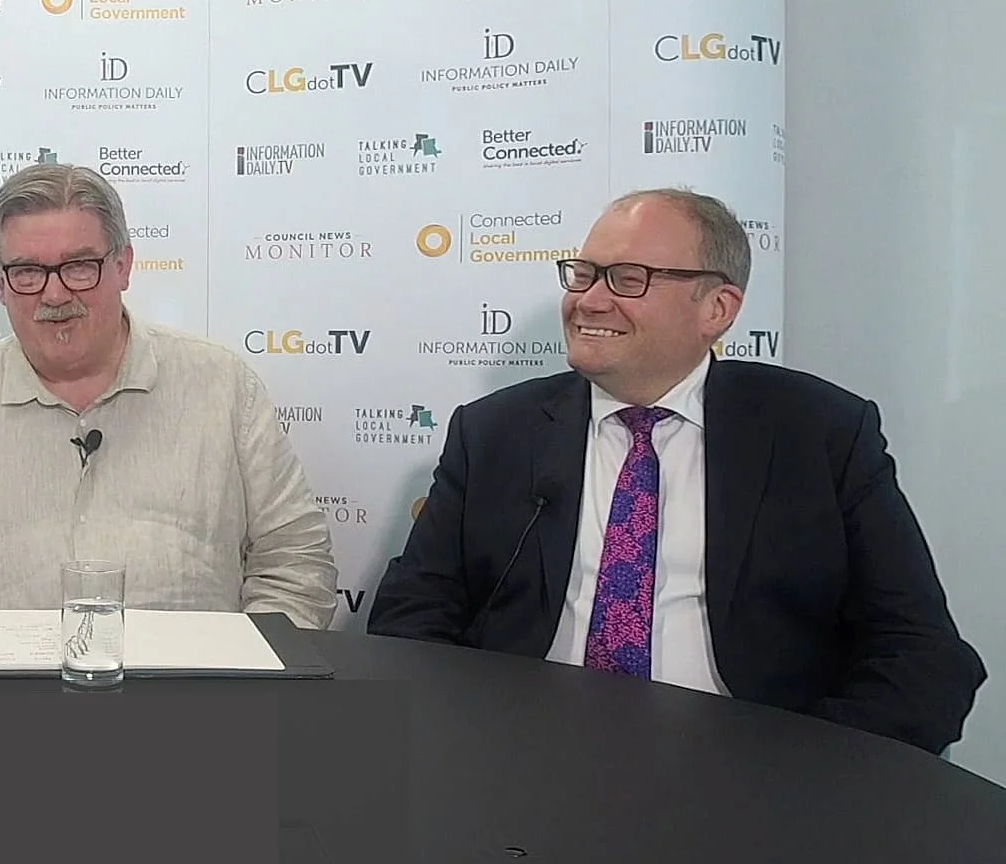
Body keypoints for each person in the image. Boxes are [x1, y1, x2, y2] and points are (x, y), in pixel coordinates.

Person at [368, 188, 985, 753]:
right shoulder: (494, 432)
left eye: (628, 278)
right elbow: (411, 614)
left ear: (717, 307)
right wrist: (472, 742)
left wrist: (803, 773)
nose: (589, 300)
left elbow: (921, 655)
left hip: (752, 772)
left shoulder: (821, 432)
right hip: (526, 758)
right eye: (583, 273)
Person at [0, 163, 337, 627]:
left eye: (79, 266)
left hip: (190, 688)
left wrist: (249, 674)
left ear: (123, 266)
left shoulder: (224, 387)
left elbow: (294, 564)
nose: (55, 295)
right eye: (27, 271)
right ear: (1, 283)